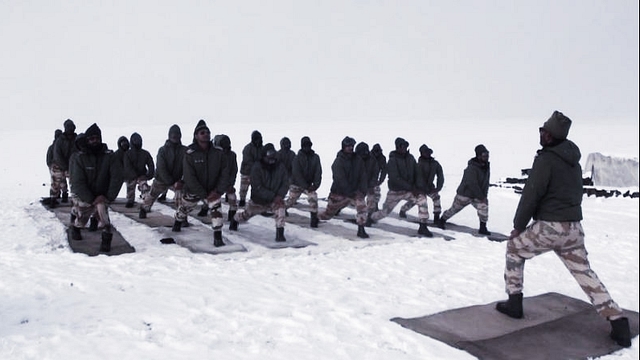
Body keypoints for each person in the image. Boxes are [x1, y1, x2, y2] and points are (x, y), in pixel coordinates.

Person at [494, 111, 631, 348]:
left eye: (544, 131)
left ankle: (514, 303)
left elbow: (531, 194)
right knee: (584, 273)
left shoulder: (546, 159)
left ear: (551, 136)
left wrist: (518, 227)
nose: (541, 134)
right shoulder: (573, 162)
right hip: (574, 228)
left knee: (514, 249)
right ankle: (618, 322)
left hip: (550, 227)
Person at [172, 120, 229, 247]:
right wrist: (203, 194)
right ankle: (177, 222)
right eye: (202, 132)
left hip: (213, 191)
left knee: (216, 211)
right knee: (183, 209)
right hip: (194, 191)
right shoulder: (190, 154)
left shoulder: (218, 153)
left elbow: (225, 173)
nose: (206, 134)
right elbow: (189, 177)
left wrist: (218, 191)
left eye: (208, 132)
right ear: (196, 136)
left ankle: (218, 237)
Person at [69, 123, 123, 252]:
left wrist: (108, 196)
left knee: (103, 217)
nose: (95, 141)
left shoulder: (110, 156)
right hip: (86, 196)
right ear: (87, 140)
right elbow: (77, 182)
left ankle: (106, 239)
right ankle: (76, 227)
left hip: (102, 196)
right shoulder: (80, 158)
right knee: (82, 219)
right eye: (91, 138)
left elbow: (117, 177)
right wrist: (91, 198)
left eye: (97, 138)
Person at [369, 137, 432, 237]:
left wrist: (419, 187)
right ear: (397, 147)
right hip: (395, 191)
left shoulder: (410, 158)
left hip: (410, 191)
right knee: (385, 212)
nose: (404, 148)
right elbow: (395, 178)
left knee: (422, 200)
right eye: (402, 146)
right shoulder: (392, 160)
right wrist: (412, 188)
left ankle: (423, 226)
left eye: (406, 146)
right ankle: (371, 218)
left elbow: (417, 173)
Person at [230, 143, 289, 241]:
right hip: (258, 201)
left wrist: (279, 196)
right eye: (269, 156)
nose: (271, 159)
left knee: (281, 209)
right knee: (246, 215)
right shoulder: (256, 167)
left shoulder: (280, 167)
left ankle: (280, 234)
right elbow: (257, 187)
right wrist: (273, 196)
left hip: (274, 200)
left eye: (273, 155)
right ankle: (235, 220)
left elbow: (285, 183)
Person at [318, 136, 369, 238]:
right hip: (339, 193)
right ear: (343, 147)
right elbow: (340, 179)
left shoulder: (358, 160)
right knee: (327, 215)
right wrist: (350, 191)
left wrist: (362, 191)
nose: (350, 148)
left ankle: (361, 228)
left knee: (362, 206)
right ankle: (316, 217)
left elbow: (363, 176)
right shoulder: (338, 162)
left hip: (354, 193)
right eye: (348, 146)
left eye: (352, 146)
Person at [436, 144, 491, 235]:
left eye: (487, 155)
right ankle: (442, 220)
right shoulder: (471, 168)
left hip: (478, 195)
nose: (486, 157)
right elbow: (472, 184)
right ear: (478, 156)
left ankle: (483, 227)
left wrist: (484, 196)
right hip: (465, 194)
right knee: (453, 210)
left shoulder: (486, 167)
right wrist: (481, 196)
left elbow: (485, 183)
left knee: (484, 207)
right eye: (484, 155)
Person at [139, 125, 187, 219]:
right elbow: (161, 168)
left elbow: (187, 167)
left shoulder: (184, 150)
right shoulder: (162, 150)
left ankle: (182, 217)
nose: (175, 136)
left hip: (177, 180)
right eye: (173, 134)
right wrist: (170, 181)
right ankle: (143, 209)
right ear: (169, 136)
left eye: (177, 134)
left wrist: (181, 181)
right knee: (151, 196)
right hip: (161, 179)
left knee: (181, 197)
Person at [399, 144, 444, 222]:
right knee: (414, 201)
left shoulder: (435, 163)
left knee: (436, 197)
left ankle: (437, 217)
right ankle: (403, 210)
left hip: (430, 187)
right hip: (418, 188)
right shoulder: (417, 165)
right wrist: (414, 189)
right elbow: (413, 178)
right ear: (421, 153)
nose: (427, 154)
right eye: (425, 152)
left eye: (428, 152)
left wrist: (438, 187)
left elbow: (440, 175)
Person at [284, 136, 322, 228]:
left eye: (308, 145)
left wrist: (315, 185)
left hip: (309, 185)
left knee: (313, 198)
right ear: (302, 146)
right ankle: (281, 209)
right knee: (291, 201)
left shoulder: (315, 157)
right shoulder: (296, 158)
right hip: (296, 184)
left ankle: (314, 218)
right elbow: (297, 174)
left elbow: (318, 172)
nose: (307, 147)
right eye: (305, 146)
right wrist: (305, 185)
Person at [212, 134, 239, 224]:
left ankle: (232, 219)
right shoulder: (213, 155)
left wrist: (231, 184)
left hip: (227, 183)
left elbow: (234, 171)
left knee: (233, 200)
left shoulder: (232, 155)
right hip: (215, 184)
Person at [50, 119, 78, 208]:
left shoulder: (76, 140)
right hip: (59, 165)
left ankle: (75, 202)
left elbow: (77, 153)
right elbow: (57, 155)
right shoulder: (60, 140)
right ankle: (53, 199)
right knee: (56, 184)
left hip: (72, 166)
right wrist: (64, 166)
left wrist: (72, 166)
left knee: (75, 184)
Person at [123, 132, 155, 208]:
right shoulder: (128, 154)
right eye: (135, 140)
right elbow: (127, 167)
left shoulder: (145, 153)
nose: (137, 142)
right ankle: (130, 200)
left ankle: (146, 201)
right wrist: (135, 176)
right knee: (130, 186)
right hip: (131, 176)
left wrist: (148, 176)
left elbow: (151, 165)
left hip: (142, 176)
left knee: (144, 187)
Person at [355, 142, 380, 220]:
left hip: (368, 185)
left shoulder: (372, 160)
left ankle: (369, 216)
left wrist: (371, 185)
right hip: (355, 186)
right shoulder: (353, 160)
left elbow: (375, 174)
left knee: (372, 198)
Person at [238, 130, 263, 207]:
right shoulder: (247, 148)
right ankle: (242, 199)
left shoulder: (262, 148)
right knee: (243, 188)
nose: (258, 140)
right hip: (247, 171)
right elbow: (247, 160)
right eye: (256, 138)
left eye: (259, 138)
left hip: (257, 173)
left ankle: (254, 200)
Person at [44, 129, 63, 205]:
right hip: (55, 167)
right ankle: (55, 198)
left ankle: (56, 197)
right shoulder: (53, 147)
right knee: (57, 183)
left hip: (60, 167)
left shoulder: (56, 146)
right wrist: (51, 166)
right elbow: (49, 159)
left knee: (59, 183)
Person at [370, 143, 387, 212]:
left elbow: (384, 170)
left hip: (374, 180)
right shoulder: (368, 156)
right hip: (364, 178)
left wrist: (380, 181)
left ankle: (375, 206)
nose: (377, 153)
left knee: (376, 193)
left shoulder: (382, 158)